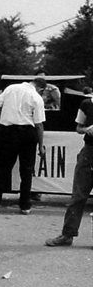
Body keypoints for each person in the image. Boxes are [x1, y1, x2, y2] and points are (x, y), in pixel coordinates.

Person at [0, 77, 47, 215]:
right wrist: (41, 145)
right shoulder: (36, 97)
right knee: (26, 171)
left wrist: (3, 118)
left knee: (2, 168)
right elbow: (39, 125)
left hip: (8, 131)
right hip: (28, 133)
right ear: (41, 88)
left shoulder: (10, 88)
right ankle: (25, 205)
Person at [45, 92, 93, 246]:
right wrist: (87, 130)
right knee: (78, 195)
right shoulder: (87, 104)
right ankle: (67, 234)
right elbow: (78, 128)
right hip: (89, 151)